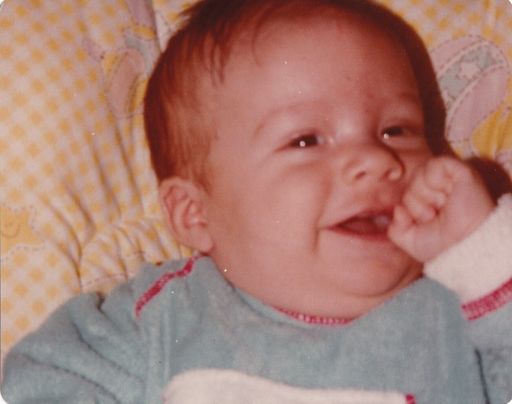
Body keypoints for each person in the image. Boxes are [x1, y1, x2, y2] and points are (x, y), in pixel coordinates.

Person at [2, 0, 511, 402]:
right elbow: (40, 382)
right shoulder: (164, 317)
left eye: (396, 130)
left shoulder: (469, 311)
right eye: (306, 140)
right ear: (195, 214)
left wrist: (484, 253)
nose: (376, 160)